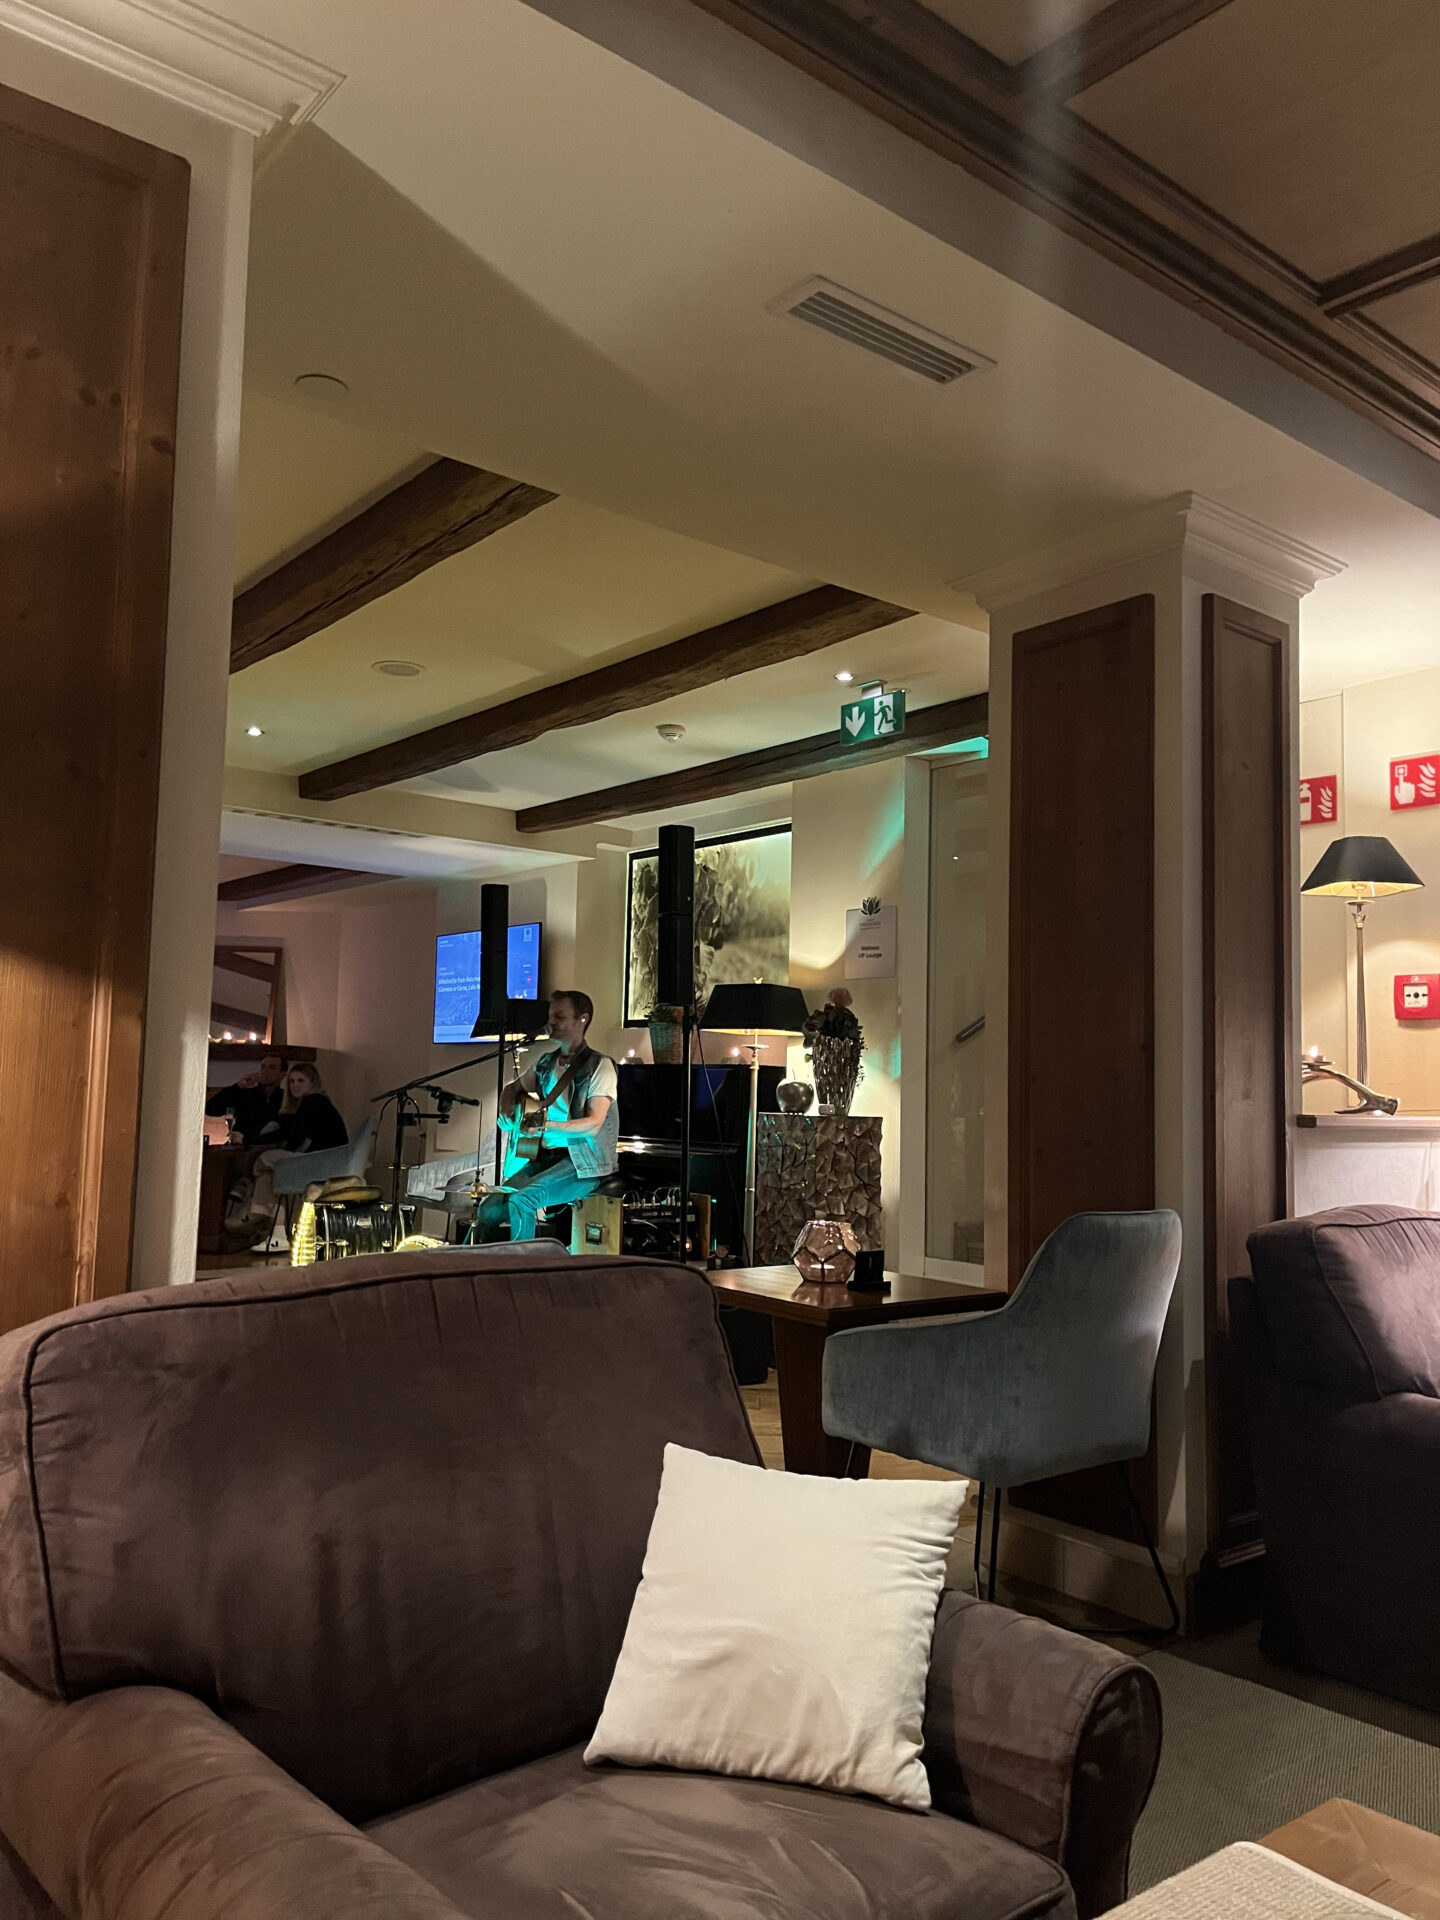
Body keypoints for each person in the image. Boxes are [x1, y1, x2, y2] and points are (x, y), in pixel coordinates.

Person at [478, 990, 618, 1245]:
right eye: (551, 1016)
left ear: (582, 1020)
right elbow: (512, 1088)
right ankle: (476, 1263)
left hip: (583, 1163)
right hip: (545, 1158)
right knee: (488, 1209)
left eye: (559, 1017)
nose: (550, 1022)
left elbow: (594, 1124)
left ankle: (522, 1265)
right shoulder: (545, 1063)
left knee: (523, 1199)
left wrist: (544, 1127)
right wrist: (506, 1109)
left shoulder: (600, 1065)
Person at [238, 1064, 349, 1254]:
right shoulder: (312, 1103)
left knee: (264, 1158)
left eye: (300, 1081)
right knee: (269, 1176)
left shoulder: (314, 1102)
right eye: (291, 1081)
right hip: (323, 1160)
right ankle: (275, 1231)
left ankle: (247, 1196)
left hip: (323, 1163)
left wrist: (247, 1140)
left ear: (312, 1082)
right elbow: (292, 1135)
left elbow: (291, 1136)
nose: (295, 1085)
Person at [205, 1054, 284, 1144]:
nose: (264, 1071)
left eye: (271, 1068)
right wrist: (238, 1086)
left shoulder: (285, 1098)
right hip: (240, 1147)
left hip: (270, 1146)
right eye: (263, 1067)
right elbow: (211, 1109)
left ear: (282, 1074)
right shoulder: (245, 1094)